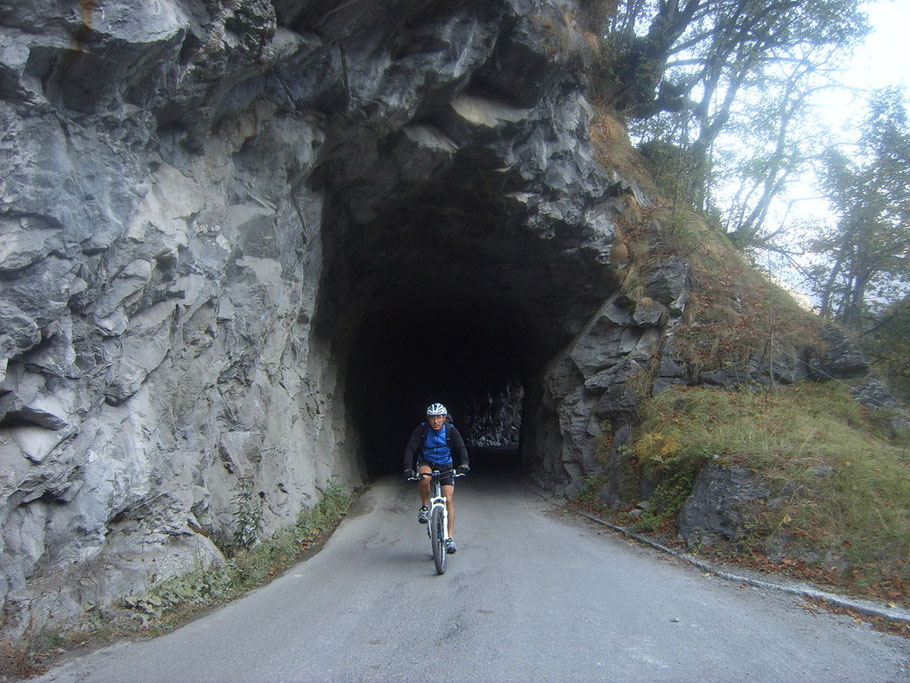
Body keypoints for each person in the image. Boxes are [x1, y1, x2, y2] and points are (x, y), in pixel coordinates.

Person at [403, 402, 469, 554]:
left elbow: (460, 448)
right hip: (427, 461)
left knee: (448, 499)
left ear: (445, 417)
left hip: (445, 464)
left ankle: (450, 538)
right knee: (424, 478)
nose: (436, 421)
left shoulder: (450, 430)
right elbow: (411, 448)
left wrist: (464, 464)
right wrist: (408, 468)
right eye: (433, 417)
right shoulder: (422, 429)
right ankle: (425, 507)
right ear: (428, 418)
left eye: (439, 417)